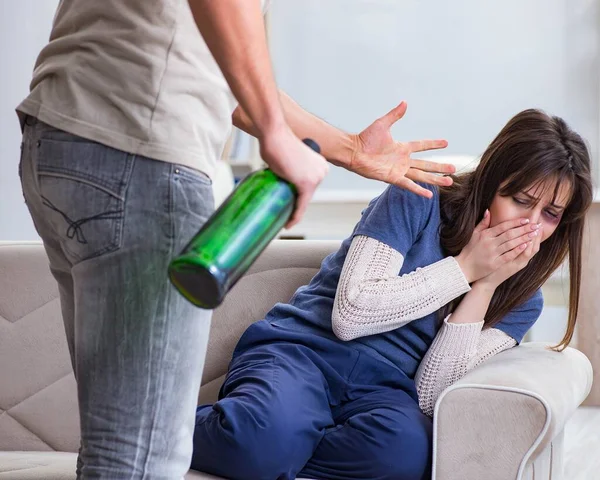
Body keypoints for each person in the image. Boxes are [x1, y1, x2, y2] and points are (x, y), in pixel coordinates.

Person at [16, 1, 455, 478]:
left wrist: (346, 149)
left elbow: (224, 74)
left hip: (61, 142)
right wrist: (275, 136)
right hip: (142, 160)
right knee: (144, 454)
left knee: (119, 433)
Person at [190, 108, 594, 480]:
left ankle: (282, 442)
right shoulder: (417, 196)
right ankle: (245, 436)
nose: (530, 225)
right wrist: (466, 267)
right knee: (260, 441)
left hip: (386, 390)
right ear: (490, 184)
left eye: (550, 215)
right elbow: (350, 316)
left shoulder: (524, 301)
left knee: (406, 456)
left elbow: (431, 398)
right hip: (305, 352)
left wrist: (484, 286)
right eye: (520, 200)